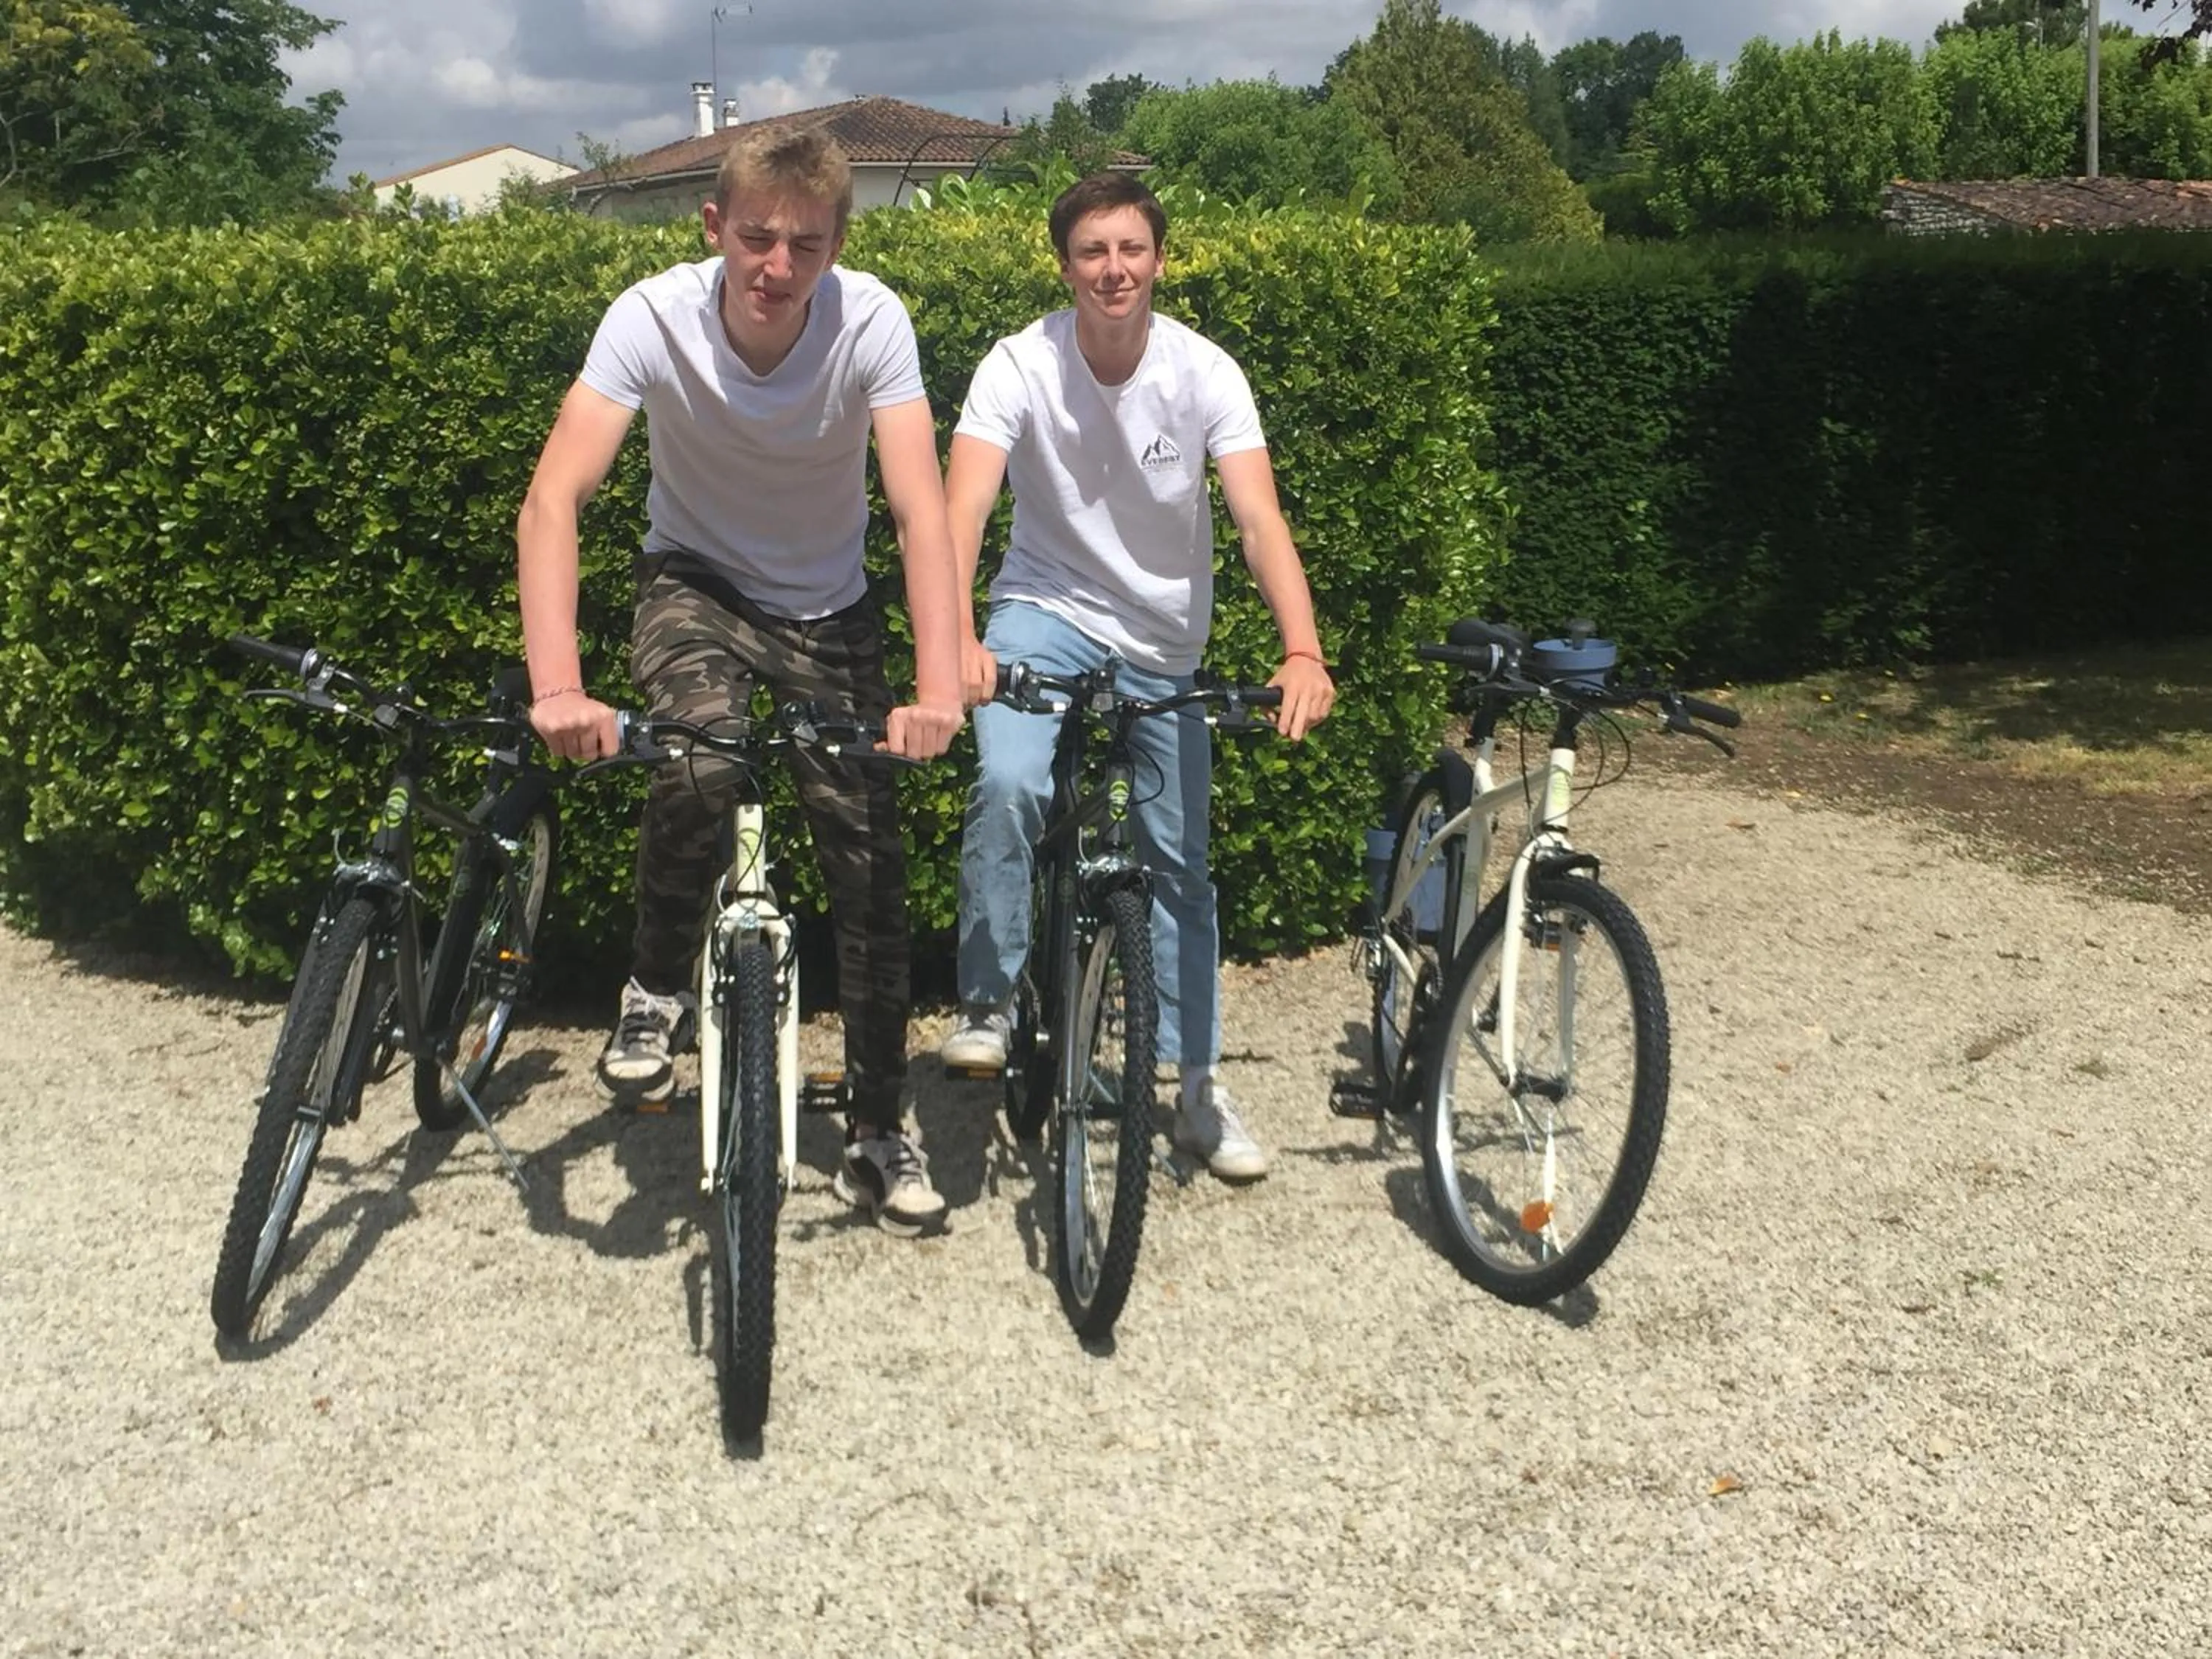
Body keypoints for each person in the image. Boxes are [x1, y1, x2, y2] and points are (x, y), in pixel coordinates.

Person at [515, 127, 964, 1234]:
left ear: (838, 244)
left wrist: (940, 682)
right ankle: (654, 989)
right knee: (702, 748)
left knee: (870, 871)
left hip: (828, 608)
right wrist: (558, 684)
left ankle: (875, 1127)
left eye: (805, 245)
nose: (778, 265)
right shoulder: (651, 316)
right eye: (757, 237)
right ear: (713, 226)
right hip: (696, 583)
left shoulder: (873, 322)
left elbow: (918, 509)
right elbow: (554, 499)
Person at [938, 172, 1336, 1183]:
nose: (1113, 270)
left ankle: (1194, 1087)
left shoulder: (1205, 372)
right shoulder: (1018, 365)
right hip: (1044, 609)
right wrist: (951, 639)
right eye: (1091, 252)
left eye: (1131, 250)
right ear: (1064, 264)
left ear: (1159, 259)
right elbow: (961, 511)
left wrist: (1303, 650)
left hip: (1163, 637)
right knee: (1010, 779)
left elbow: (1256, 520)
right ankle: (987, 999)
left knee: (1180, 867)